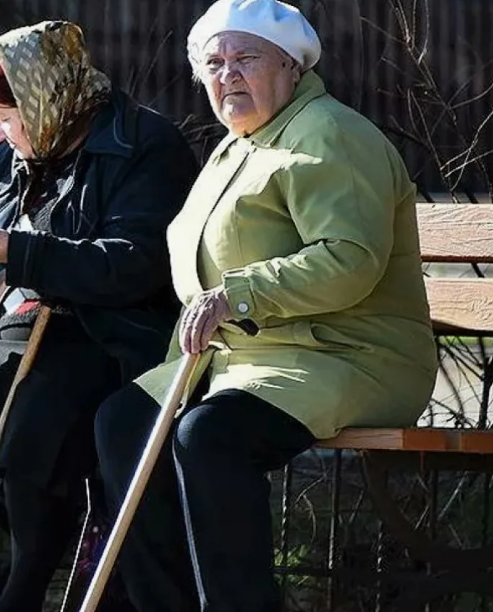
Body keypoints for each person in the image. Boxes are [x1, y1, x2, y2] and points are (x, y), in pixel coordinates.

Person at [93, 1, 438, 611]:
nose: (228, 74)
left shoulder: (327, 134)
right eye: (214, 63)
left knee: (210, 436)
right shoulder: (236, 146)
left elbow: (349, 258)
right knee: (124, 423)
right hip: (247, 362)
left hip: (348, 354)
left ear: (292, 66)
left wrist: (238, 294)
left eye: (245, 58)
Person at [0, 21, 199, 612]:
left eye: (7, 118)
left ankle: (23, 590)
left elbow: (135, 265)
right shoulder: (9, 158)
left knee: (35, 418)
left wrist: (15, 252)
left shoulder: (143, 145)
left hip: (105, 335)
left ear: (47, 99)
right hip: (8, 330)